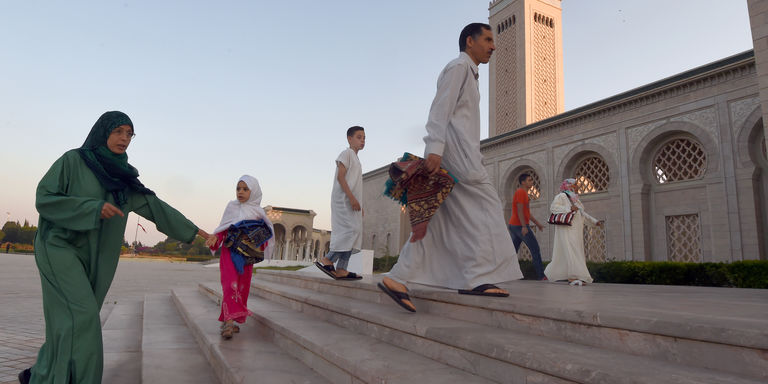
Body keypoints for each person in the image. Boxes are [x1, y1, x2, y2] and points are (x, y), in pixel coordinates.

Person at [20, 111, 211, 384]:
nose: (124, 138)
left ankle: (44, 374)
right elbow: (45, 198)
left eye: (129, 134)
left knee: (71, 321)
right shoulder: (73, 161)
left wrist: (198, 233)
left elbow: (157, 208)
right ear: (103, 132)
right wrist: (92, 208)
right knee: (84, 316)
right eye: (118, 131)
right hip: (58, 247)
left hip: (93, 257)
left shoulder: (124, 181)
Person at [378, 23, 523, 313]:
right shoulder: (458, 68)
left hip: (461, 155)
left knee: (437, 220)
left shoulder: (469, 72)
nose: (493, 46)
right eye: (487, 39)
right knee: (489, 208)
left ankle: (398, 278)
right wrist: (434, 149)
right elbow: (439, 109)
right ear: (470, 41)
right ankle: (477, 277)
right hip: (458, 158)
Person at [314, 126, 365, 281]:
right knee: (349, 231)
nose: (362, 141)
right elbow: (341, 178)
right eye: (359, 137)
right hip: (343, 200)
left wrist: (359, 205)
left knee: (354, 232)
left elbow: (356, 184)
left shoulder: (356, 159)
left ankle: (342, 268)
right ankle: (328, 259)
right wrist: (351, 198)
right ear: (349, 139)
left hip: (352, 202)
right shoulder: (346, 153)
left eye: (364, 138)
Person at [544, 178, 604, 285]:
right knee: (571, 251)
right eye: (575, 185)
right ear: (569, 186)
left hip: (576, 230)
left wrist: (594, 222)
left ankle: (568, 274)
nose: (577, 187)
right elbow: (553, 208)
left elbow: (581, 214)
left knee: (575, 251)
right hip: (567, 229)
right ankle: (573, 277)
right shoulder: (562, 196)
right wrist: (569, 208)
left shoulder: (576, 199)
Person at [508, 173, 546, 280]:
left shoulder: (523, 193)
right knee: (535, 249)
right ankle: (541, 276)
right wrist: (524, 226)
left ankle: (505, 273)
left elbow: (526, 213)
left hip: (514, 225)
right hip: (519, 226)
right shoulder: (521, 192)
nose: (531, 182)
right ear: (523, 182)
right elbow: (520, 211)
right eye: (529, 180)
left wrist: (537, 224)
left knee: (512, 252)